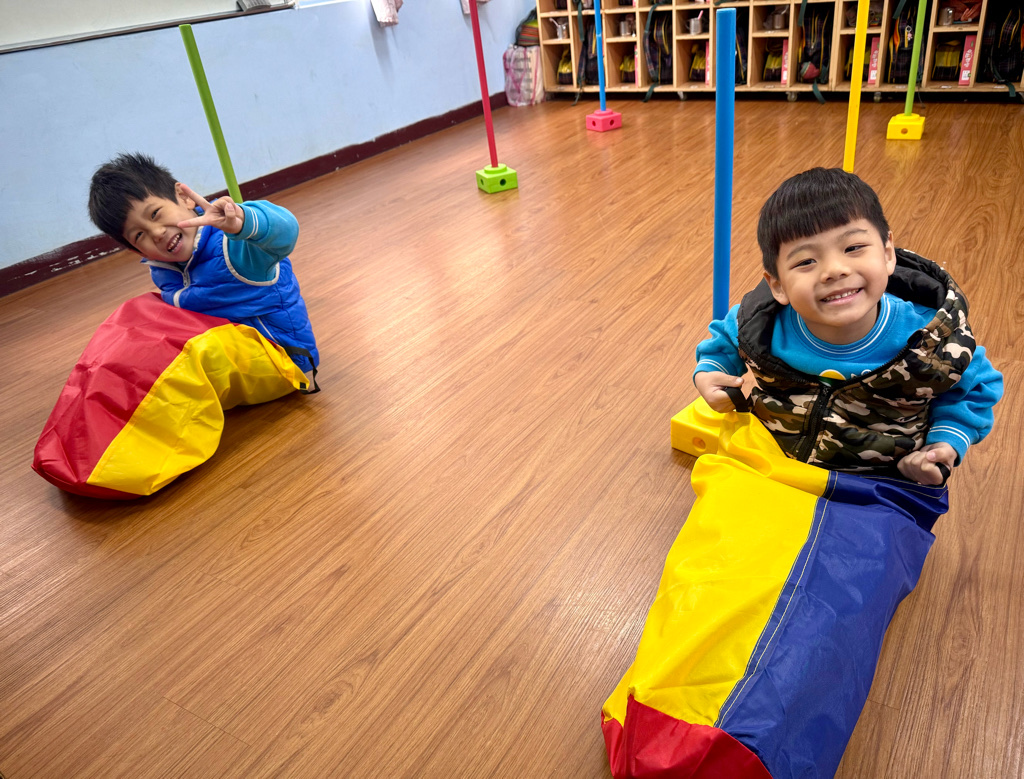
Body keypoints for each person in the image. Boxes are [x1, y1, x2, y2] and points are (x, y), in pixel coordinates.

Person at [693, 167, 1001, 485]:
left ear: (887, 253)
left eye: (853, 248)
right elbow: (726, 338)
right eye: (806, 261)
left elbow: (977, 388)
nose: (835, 270)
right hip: (774, 468)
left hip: (882, 482)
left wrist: (943, 445)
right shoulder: (760, 324)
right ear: (778, 286)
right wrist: (710, 372)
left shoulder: (934, 340)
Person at [88, 152, 319, 387]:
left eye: (155, 214)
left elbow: (286, 233)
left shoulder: (233, 247)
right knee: (132, 328)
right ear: (137, 251)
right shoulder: (164, 270)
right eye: (139, 235)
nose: (156, 233)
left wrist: (245, 222)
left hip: (283, 361)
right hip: (231, 359)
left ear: (183, 197)